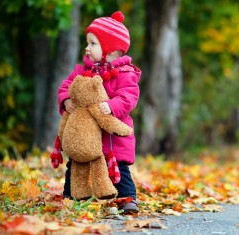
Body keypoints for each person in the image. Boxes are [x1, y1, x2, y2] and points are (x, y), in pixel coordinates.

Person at [54, 11, 141, 214]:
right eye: (88, 42)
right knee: (75, 164)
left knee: (118, 169)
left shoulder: (125, 73)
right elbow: (66, 86)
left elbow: (129, 96)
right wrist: (66, 99)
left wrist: (112, 106)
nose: (87, 47)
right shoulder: (83, 70)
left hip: (113, 136)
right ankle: (71, 196)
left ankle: (127, 199)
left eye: (93, 43)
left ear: (111, 50)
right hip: (86, 135)